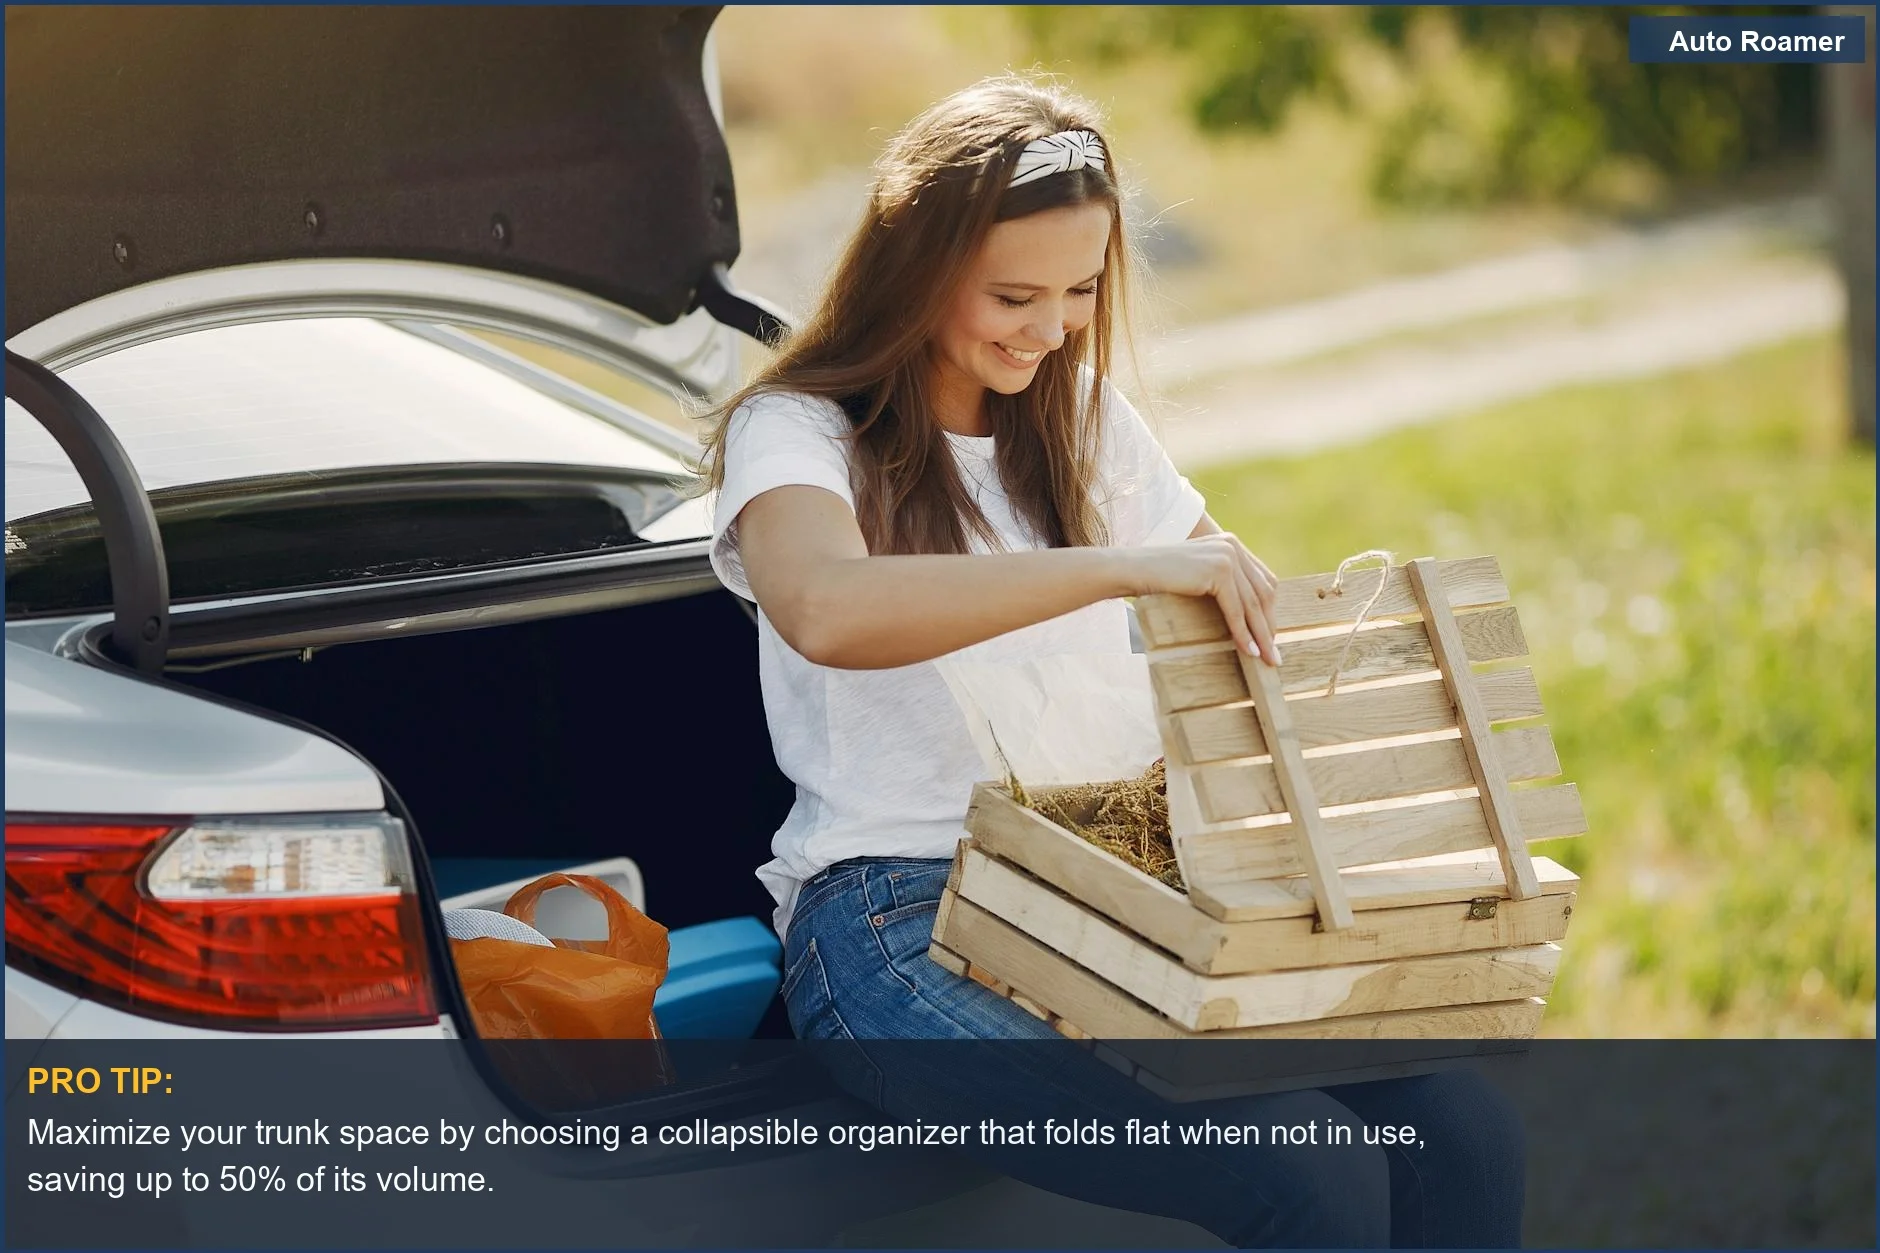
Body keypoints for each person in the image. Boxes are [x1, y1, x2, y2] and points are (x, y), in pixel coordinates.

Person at [702, 76, 1524, 1249]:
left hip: (1118, 885)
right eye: (1012, 295)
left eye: (1080, 291)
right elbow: (824, 607)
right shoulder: (795, 430)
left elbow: (1244, 615)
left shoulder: (1078, 418)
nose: (1050, 328)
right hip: (894, 919)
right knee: (1305, 1171)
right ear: (916, 269)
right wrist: (1118, 566)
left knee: (1465, 1127)